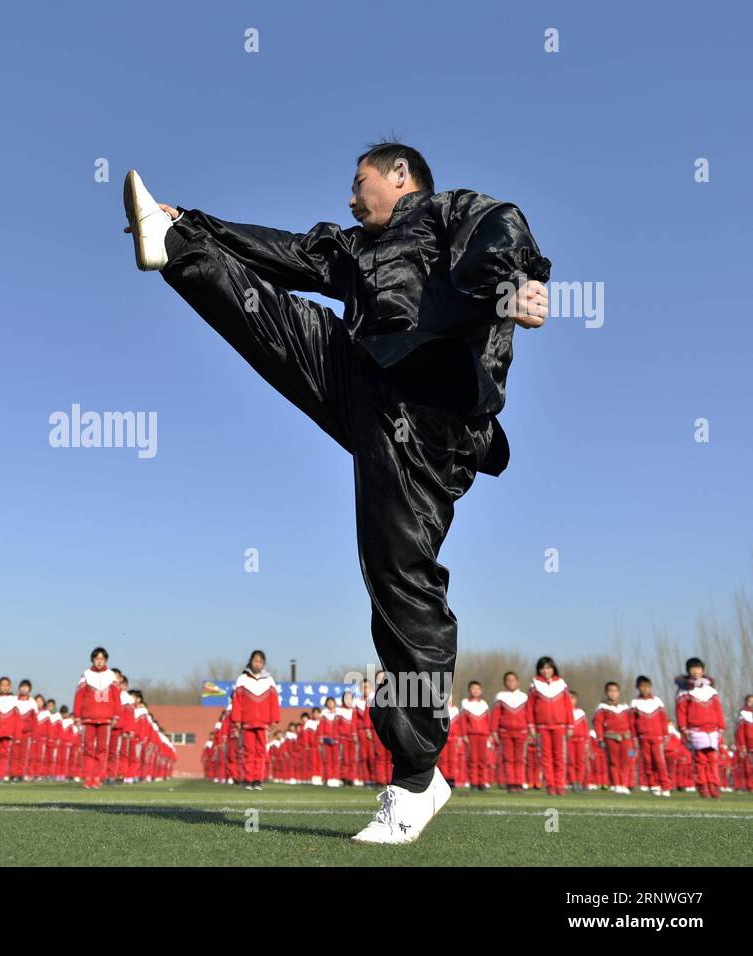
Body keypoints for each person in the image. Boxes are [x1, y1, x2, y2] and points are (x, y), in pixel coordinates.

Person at [125, 143, 550, 841]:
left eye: (360, 185)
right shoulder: (355, 248)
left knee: (395, 574)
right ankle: (174, 245)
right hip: (362, 378)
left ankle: (417, 780)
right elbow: (289, 251)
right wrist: (193, 222)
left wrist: (511, 291)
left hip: (428, 413)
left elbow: (501, 232)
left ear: (399, 175)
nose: (351, 199)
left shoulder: (450, 214)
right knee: (276, 317)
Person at [675, 657, 725, 799]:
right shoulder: (684, 691)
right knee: (700, 761)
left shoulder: (711, 690)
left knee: (713, 760)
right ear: (688, 671)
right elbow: (681, 711)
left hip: (713, 730)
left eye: (698, 668)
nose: (696, 671)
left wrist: (721, 726)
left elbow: (718, 709)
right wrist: (683, 729)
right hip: (696, 730)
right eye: (692, 669)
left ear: (703, 670)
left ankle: (714, 786)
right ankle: (703, 787)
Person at [230, 650, 281, 790]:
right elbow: (237, 701)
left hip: (263, 722)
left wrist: (275, 719)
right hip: (247, 721)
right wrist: (237, 719)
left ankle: (257, 780)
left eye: (260, 661)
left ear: (263, 663)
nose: (257, 663)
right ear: (250, 662)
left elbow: (274, 701)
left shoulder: (269, 680)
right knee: (248, 751)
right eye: (255, 660)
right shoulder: (242, 679)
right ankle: (248, 779)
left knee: (261, 751)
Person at [73, 648, 122, 789]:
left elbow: (116, 697)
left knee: (102, 750)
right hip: (88, 717)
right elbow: (79, 695)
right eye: (96, 658)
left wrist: (116, 715)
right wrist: (77, 715)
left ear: (106, 660)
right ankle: (88, 777)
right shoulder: (86, 674)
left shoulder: (111, 675)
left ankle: (97, 778)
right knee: (88, 749)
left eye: (102, 659)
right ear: (92, 660)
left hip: (106, 718)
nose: (99, 661)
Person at [527, 657, 573, 795]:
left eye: (548, 668)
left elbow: (568, 706)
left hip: (560, 726)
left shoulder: (561, 684)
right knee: (546, 757)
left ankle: (560, 785)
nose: (545, 671)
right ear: (539, 670)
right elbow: (529, 707)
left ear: (553, 668)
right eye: (543, 668)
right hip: (542, 726)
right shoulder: (535, 685)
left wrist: (570, 725)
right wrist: (531, 725)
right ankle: (550, 785)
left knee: (560, 757)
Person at [630, 676, 672, 797]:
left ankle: (665, 786)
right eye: (642, 686)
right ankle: (653, 785)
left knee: (659, 762)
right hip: (643, 737)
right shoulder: (635, 703)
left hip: (657, 737)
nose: (645, 689)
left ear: (650, 687)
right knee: (648, 763)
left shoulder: (657, 701)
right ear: (637, 688)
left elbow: (663, 720)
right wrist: (634, 737)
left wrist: (665, 734)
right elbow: (632, 723)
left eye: (647, 686)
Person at [491, 671, 529, 792]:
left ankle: (519, 783)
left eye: (513, 680)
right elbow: (495, 715)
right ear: (504, 682)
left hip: (522, 732)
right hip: (505, 732)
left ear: (517, 682)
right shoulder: (500, 696)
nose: (511, 682)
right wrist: (494, 731)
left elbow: (528, 715)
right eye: (508, 680)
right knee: (508, 759)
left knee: (520, 759)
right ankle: (511, 783)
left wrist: (530, 731)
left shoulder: (524, 697)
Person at [594, 681, 633, 795]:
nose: (613, 694)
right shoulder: (602, 707)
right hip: (611, 737)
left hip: (625, 737)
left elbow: (631, 722)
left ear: (619, 693)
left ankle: (624, 784)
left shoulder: (625, 707)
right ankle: (616, 784)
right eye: (610, 691)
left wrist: (633, 737)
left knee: (625, 762)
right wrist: (600, 738)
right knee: (614, 762)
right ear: (606, 693)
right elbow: (598, 724)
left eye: (615, 691)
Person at [459, 681, 491, 790]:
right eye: (473, 688)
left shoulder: (484, 704)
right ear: (469, 690)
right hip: (471, 735)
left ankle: (482, 782)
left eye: (478, 689)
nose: (475, 691)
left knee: (483, 760)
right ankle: (474, 782)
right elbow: (462, 721)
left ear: (481, 691)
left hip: (483, 735)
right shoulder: (465, 703)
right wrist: (464, 734)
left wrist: (490, 734)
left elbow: (488, 720)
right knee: (473, 759)